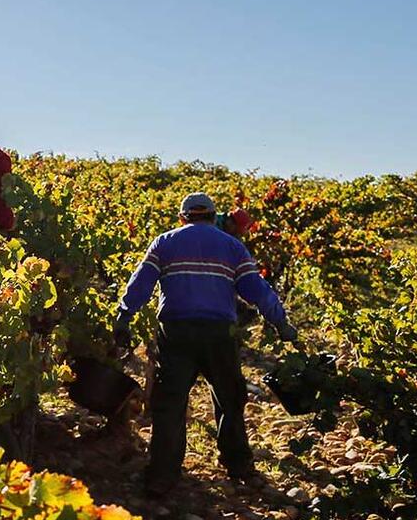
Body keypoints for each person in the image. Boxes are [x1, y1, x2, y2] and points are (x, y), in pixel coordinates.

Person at [113, 192, 298, 496]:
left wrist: (124, 316)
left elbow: (140, 284)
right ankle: (239, 466)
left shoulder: (165, 242)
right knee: (230, 398)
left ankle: (163, 476)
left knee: (170, 403)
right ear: (214, 217)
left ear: (182, 217)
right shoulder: (232, 246)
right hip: (218, 334)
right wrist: (282, 324)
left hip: (175, 332)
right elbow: (258, 291)